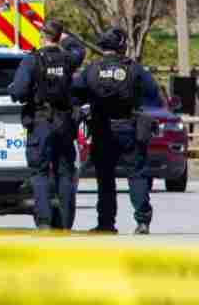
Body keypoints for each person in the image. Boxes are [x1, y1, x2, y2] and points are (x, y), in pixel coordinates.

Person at [73, 27, 162, 234]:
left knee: (105, 179)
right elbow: (154, 96)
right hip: (129, 127)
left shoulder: (92, 69)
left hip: (103, 129)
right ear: (121, 46)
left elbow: (76, 95)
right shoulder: (135, 69)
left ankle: (106, 224)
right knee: (137, 175)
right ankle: (142, 222)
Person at [8, 19, 86, 229]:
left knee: (40, 173)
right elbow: (80, 48)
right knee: (65, 173)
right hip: (64, 123)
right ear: (59, 37)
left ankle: (44, 222)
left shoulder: (32, 60)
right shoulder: (69, 59)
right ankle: (66, 224)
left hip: (41, 122)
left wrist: (15, 90)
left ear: (43, 37)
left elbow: (18, 92)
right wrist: (65, 38)